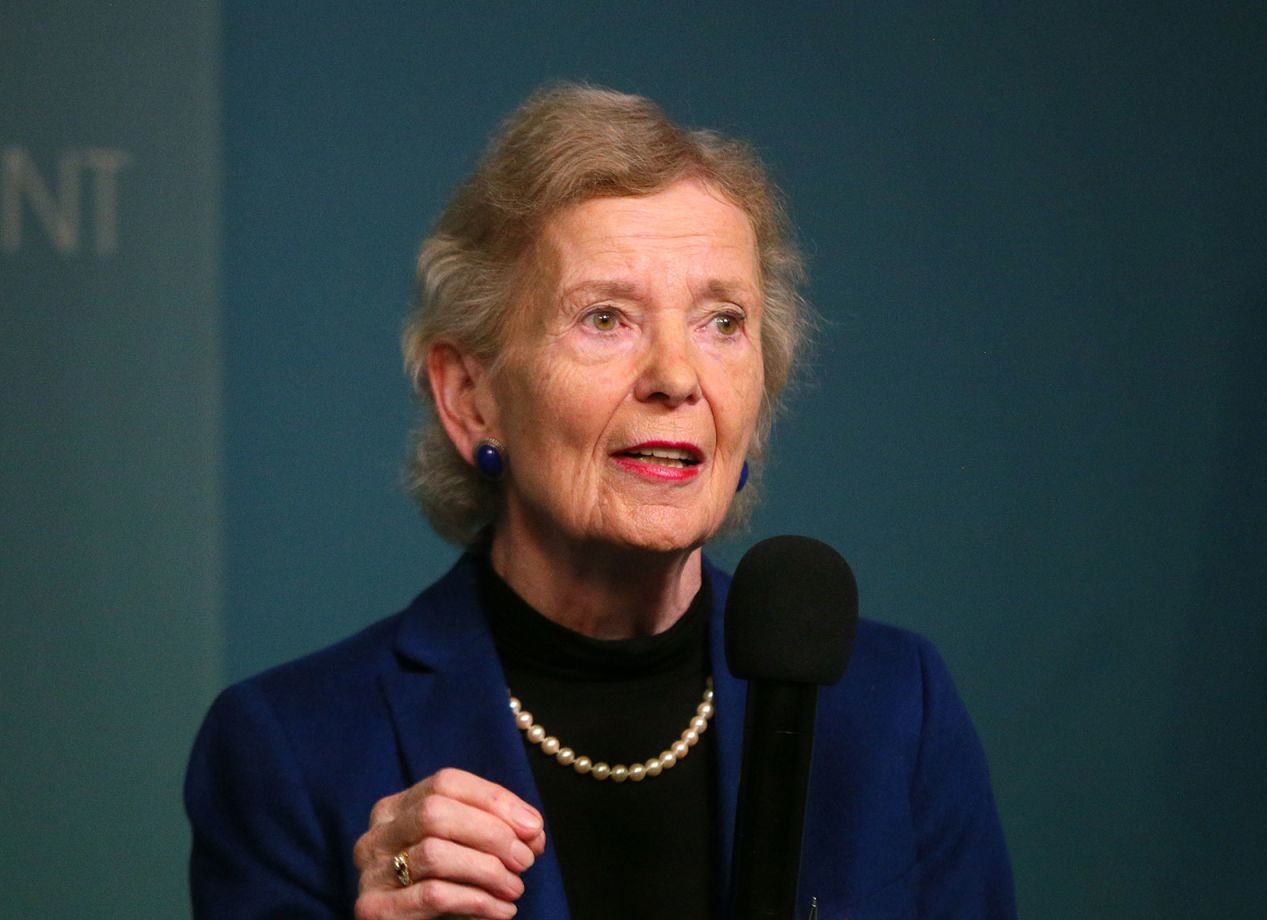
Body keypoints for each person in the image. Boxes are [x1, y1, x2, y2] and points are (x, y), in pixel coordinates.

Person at [185, 84, 1016, 920]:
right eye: (606, 318)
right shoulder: (292, 747)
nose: (678, 378)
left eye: (722, 322)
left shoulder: (892, 707)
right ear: (471, 395)